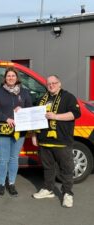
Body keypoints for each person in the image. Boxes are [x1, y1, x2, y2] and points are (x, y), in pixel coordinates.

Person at [32, 75, 81, 208]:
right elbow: (35, 117)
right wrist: (34, 135)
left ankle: (68, 194)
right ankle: (48, 189)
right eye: (49, 84)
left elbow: (75, 114)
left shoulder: (68, 97)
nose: (51, 85)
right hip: (44, 140)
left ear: (59, 84)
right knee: (48, 167)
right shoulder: (42, 98)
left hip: (62, 140)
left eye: (54, 83)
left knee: (66, 169)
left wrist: (56, 116)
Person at [0, 67, 32, 197]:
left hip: (19, 131)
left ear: (17, 78)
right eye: (8, 76)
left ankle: (12, 183)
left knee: (14, 159)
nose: (11, 78)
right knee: (3, 159)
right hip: (2, 130)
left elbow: (30, 108)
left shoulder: (24, 93)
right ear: (5, 78)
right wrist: (6, 118)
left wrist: (22, 108)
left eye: (13, 76)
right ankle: (1, 184)